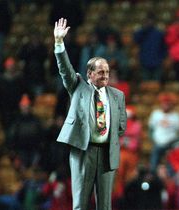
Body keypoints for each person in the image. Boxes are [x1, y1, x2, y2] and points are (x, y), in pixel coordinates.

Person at [53, 18, 127, 210]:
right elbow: (64, 70)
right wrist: (59, 43)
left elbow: (121, 126)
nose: (105, 76)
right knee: (80, 204)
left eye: (107, 72)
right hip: (83, 150)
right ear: (89, 74)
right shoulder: (77, 87)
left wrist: (106, 138)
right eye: (101, 72)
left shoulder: (118, 95)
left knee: (105, 205)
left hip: (106, 153)